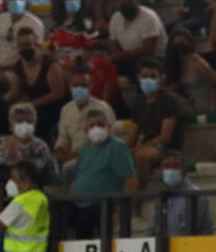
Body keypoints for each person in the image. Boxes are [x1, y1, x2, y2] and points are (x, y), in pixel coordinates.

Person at [71, 109, 138, 239]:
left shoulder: (117, 147)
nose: (96, 128)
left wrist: (120, 209)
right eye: (92, 125)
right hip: (81, 203)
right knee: (58, 214)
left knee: (85, 220)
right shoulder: (84, 150)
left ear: (108, 127)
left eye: (100, 124)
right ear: (86, 128)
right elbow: (78, 178)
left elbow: (131, 180)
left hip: (104, 205)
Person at [128, 59, 183, 187]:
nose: (148, 79)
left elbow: (165, 138)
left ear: (161, 78)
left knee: (141, 157)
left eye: (153, 76)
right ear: (138, 78)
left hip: (168, 148)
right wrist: (125, 149)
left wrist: (138, 149)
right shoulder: (138, 101)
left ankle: (139, 198)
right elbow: (134, 131)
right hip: (148, 144)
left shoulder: (168, 100)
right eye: (144, 76)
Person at [53, 65, 115, 174]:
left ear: (91, 86)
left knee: (69, 168)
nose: (79, 88)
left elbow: (107, 140)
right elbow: (63, 138)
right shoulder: (66, 109)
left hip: (96, 154)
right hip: (70, 155)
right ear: (69, 86)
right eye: (75, 85)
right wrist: (60, 151)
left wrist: (77, 154)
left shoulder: (102, 108)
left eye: (83, 85)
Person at [9, 26, 66, 141]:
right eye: (22, 45)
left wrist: (32, 104)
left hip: (51, 108)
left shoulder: (49, 64)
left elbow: (58, 93)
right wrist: (2, 101)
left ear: (35, 44)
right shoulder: (19, 65)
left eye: (29, 44)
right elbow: (16, 90)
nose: (25, 48)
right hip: (32, 108)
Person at [108, 0, 168, 77]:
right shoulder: (116, 18)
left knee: (141, 66)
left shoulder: (148, 17)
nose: (126, 6)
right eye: (123, 3)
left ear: (137, 0)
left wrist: (123, 54)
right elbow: (114, 44)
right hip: (128, 58)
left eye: (130, 2)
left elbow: (148, 49)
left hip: (154, 58)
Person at [152, 150, 213, 237]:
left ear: (184, 170)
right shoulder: (160, 197)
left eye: (175, 166)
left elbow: (204, 229)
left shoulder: (196, 195)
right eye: (166, 166)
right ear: (161, 171)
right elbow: (154, 226)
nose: (170, 170)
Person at [0, 0, 45, 71]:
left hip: (22, 69)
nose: (16, 1)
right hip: (0, 67)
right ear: (5, 2)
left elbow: (37, 53)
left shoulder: (35, 23)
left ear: (25, 2)